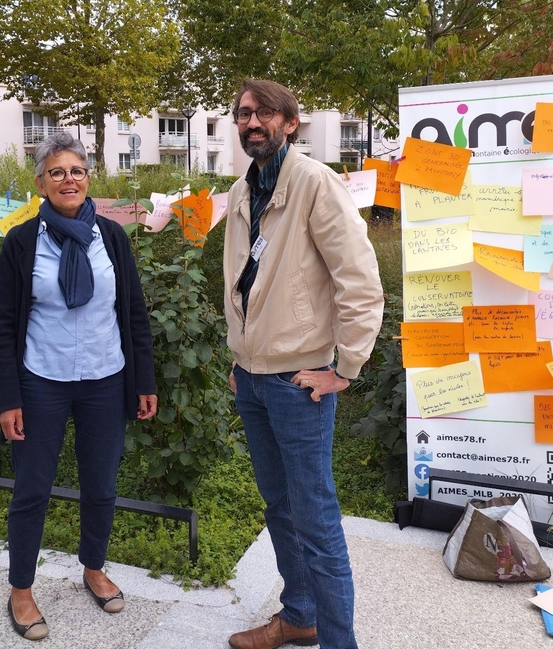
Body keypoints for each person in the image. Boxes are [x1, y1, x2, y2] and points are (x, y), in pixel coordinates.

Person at [223, 80, 384, 649]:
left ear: (290, 123)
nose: (252, 122)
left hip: (299, 383)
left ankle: (339, 642)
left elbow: (359, 281)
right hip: (252, 378)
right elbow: (243, 281)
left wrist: (346, 366)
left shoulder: (315, 183)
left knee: (314, 518)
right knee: (280, 508)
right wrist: (241, 355)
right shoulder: (243, 190)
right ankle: (299, 617)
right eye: (244, 114)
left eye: (265, 112)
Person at [0, 131, 157, 640]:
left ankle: (94, 567)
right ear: (40, 182)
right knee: (32, 488)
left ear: (88, 179)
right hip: (42, 380)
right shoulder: (22, 242)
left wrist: (143, 380)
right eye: (57, 172)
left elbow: (133, 312)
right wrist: (8, 397)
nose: (69, 179)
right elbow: (2, 325)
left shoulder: (112, 237)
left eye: (77, 171)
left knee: (101, 485)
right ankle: (21, 589)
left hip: (106, 379)